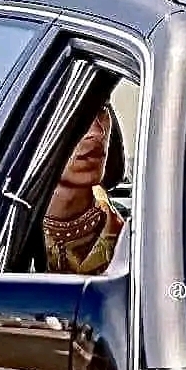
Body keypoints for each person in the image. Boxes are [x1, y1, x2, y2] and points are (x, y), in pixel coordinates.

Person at [42, 103, 125, 275]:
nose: (98, 132)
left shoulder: (135, 236)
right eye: (72, 112)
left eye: (102, 110)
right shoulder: (7, 237)